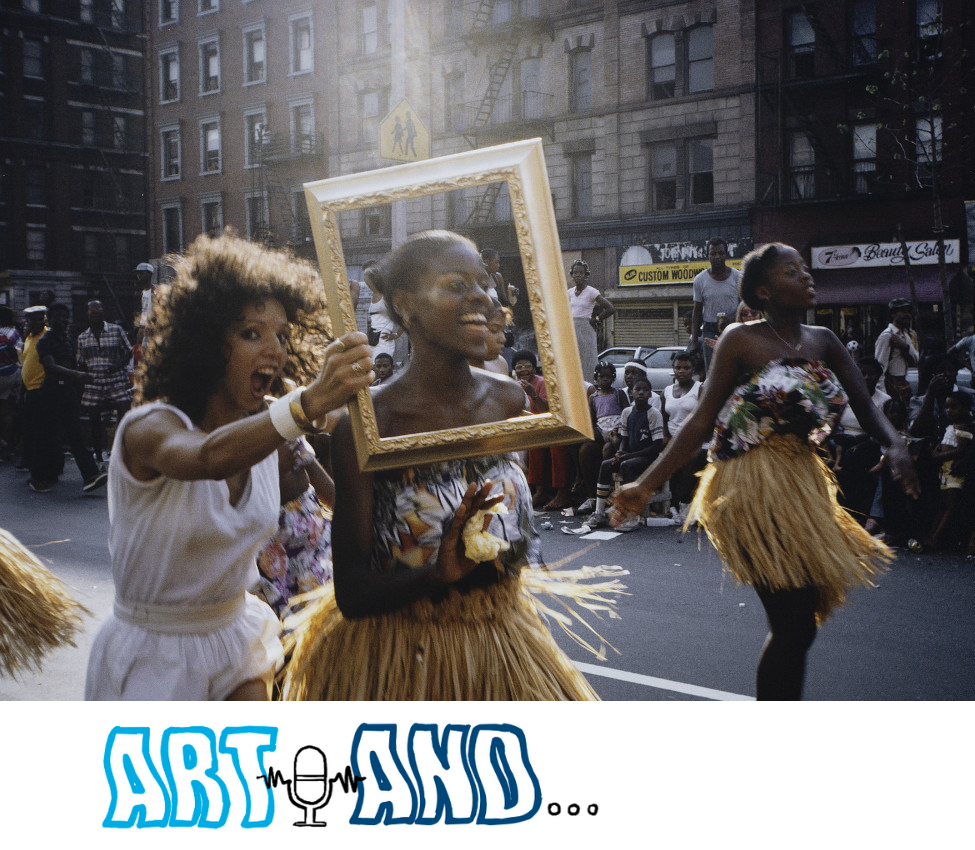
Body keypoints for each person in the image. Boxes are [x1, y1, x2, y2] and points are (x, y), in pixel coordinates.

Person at [283, 230, 625, 701]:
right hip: (407, 661)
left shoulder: (507, 398)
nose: (482, 298)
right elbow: (354, 595)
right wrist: (435, 574)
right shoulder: (368, 425)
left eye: (484, 283)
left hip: (502, 644)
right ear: (406, 305)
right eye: (456, 285)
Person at [610, 242, 919, 700]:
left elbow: (864, 405)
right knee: (794, 625)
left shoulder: (824, 341)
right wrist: (646, 483)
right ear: (763, 291)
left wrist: (896, 443)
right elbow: (700, 421)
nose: (806, 276)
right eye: (791, 271)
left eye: (804, 268)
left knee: (801, 627)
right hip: (750, 487)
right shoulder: (740, 339)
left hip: (804, 484)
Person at [84, 231, 374, 701]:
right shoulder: (149, 429)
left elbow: (346, 463)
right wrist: (308, 403)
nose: (275, 350)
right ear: (204, 340)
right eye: (251, 333)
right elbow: (208, 457)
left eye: (281, 335)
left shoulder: (269, 430)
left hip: (239, 642)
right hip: (153, 657)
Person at [254, 432, 336, 620]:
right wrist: (272, 468)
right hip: (275, 571)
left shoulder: (280, 421)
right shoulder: (231, 440)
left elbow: (329, 493)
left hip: (319, 557)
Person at [29, 303, 107, 494]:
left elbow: (72, 363)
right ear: (49, 319)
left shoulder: (68, 340)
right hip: (50, 392)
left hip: (67, 392)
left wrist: (77, 381)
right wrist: (76, 375)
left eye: (65, 317)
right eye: (58, 317)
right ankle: (39, 478)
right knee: (46, 435)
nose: (62, 320)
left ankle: (91, 476)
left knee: (76, 435)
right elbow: (51, 366)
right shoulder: (44, 341)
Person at [588, 375, 664, 531]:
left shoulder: (654, 414)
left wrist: (628, 456)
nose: (641, 393)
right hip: (630, 455)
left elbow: (657, 446)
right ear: (631, 393)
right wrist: (621, 451)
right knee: (606, 465)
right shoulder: (627, 412)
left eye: (645, 390)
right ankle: (599, 511)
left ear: (650, 394)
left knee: (627, 465)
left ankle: (632, 514)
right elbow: (624, 438)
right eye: (638, 389)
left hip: (649, 457)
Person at [514, 349, 573, 510]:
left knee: (553, 445)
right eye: (519, 367)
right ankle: (539, 491)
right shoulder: (513, 385)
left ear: (534, 368)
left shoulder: (541, 383)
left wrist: (533, 395)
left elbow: (547, 411)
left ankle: (562, 493)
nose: (523, 370)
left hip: (549, 427)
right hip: (526, 429)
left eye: (527, 366)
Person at [76, 300, 134, 463]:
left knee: (125, 407)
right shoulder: (82, 337)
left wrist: (117, 366)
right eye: (93, 313)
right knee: (94, 418)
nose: (97, 316)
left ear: (104, 313)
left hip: (115, 381)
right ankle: (98, 453)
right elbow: (80, 362)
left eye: (100, 313)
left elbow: (128, 352)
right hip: (94, 383)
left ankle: (121, 447)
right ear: (88, 314)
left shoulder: (116, 330)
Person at [920, 391, 973, 553]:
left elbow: (961, 450)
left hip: (952, 472)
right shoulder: (951, 427)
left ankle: (935, 537)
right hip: (945, 472)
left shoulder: (963, 428)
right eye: (947, 407)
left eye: (953, 407)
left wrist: (939, 455)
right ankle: (932, 535)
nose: (949, 411)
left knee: (949, 507)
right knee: (943, 505)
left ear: (965, 409)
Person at [687, 238, 741, 375]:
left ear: (726, 255)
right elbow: (697, 311)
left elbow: (744, 304)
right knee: (713, 370)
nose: (717, 257)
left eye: (720, 253)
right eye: (713, 253)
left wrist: (732, 317)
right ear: (707, 256)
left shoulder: (737, 277)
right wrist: (694, 340)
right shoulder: (700, 280)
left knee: (735, 367)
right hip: (710, 329)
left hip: (732, 328)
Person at [567, 260, 615, 382]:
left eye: (581, 273)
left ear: (586, 275)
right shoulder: (570, 292)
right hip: (571, 328)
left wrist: (596, 319)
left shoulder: (591, 292)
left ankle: (589, 388)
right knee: (571, 360)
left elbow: (610, 308)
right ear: (572, 275)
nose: (578, 275)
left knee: (587, 361)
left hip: (585, 328)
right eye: (575, 272)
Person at [874, 297, 919, 408]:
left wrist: (904, 346)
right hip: (891, 387)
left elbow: (916, 358)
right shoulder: (887, 336)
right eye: (903, 312)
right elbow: (879, 368)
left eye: (908, 312)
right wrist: (884, 397)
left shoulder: (904, 334)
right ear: (893, 314)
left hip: (902, 384)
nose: (907, 315)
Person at [0, 306, 23, 461]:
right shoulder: (13, 333)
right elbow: (20, 353)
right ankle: (8, 445)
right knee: (7, 411)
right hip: (13, 374)